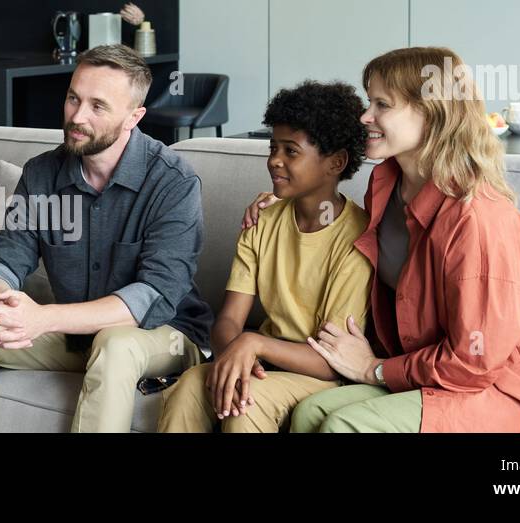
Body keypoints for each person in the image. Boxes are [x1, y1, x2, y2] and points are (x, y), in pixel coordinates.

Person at [240, 47, 520, 432]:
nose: (366, 117)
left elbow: (475, 361)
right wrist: (284, 201)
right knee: (310, 413)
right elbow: (333, 226)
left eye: (383, 104)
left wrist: (375, 369)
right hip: (432, 377)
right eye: (369, 101)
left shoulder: (476, 217)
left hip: (505, 390)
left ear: (432, 114)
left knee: (343, 425)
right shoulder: (385, 187)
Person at [0, 45, 213, 433]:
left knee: (115, 344)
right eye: (73, 98)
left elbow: (155, 296)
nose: (77, 117)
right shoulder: (42, 174)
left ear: (134, 117)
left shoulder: (172, 182)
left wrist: (42, 318)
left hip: (163, 336)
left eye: (98, 106)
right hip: (76, 335)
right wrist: (2, 303)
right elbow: (4, 259)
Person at [159, 81, 372, 433]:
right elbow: (228, 321)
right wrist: (239, 357)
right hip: (260, 363)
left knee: (245, 403)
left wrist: (254, 344)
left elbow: (333, 362)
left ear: (336, 162)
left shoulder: (355, 239)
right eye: (273, 147)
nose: (274, 160)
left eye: (291, 151)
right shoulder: (261, 221)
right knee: (190, 388)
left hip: (320, 375)